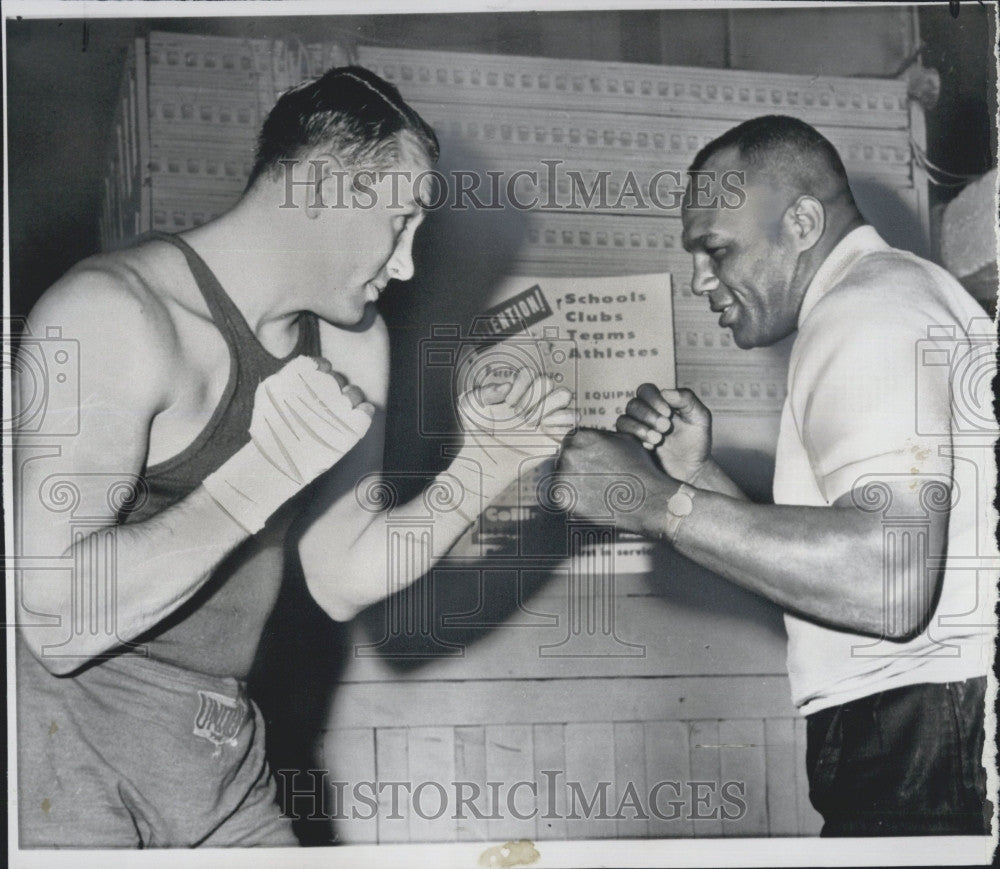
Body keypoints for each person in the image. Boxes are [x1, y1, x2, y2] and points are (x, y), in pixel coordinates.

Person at [13, 66, 574, 848]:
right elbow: (53, 623)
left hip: (217, 742)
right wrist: (258, 476)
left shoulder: (352, 340)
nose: (407, 262)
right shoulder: (114, 315)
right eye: (400, 220)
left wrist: (481, 468)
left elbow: (341, 575)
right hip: (69, 739)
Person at [557, 115, 994, 836]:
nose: (700, 280)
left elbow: (888, 579)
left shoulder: (867, 313)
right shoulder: (895, 296)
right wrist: (694, 478)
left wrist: (652, 500)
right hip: (932, 720)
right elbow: (842, 570)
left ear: (799, 221)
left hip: (922, 729)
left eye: (715, 250)